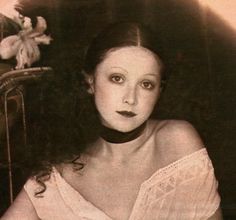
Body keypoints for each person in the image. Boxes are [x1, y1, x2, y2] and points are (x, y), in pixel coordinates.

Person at [1, 22, 222, 220]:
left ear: (159, 91)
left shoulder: (177, 141)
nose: (130, 98)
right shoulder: (57, 170)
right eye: (117, 79)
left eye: (146, 84)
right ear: (90, 82)